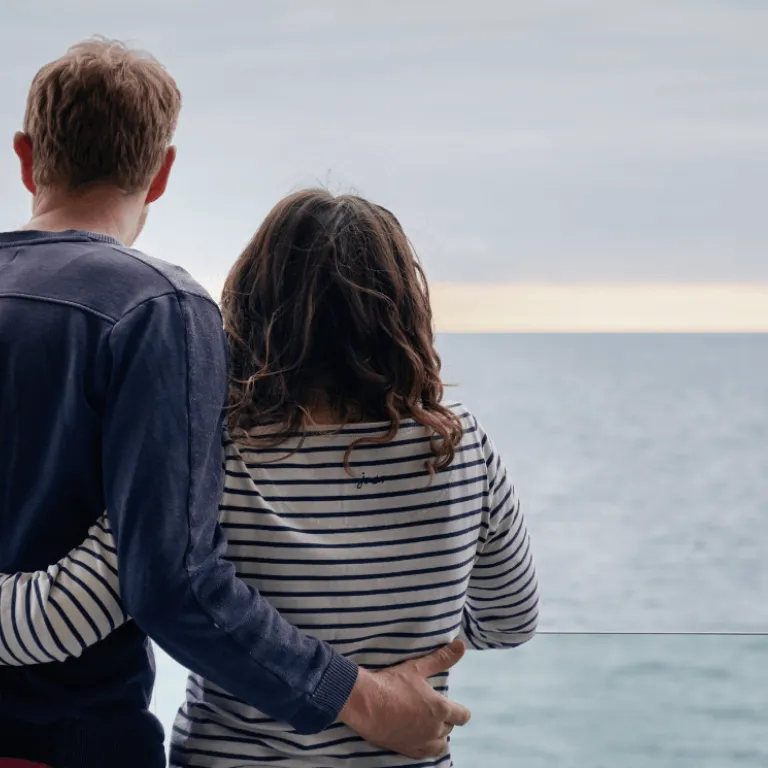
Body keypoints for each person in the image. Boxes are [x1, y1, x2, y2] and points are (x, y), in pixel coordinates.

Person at [0, 40, 470, 768]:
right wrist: (372, 705)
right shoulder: (158, 309)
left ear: (27, 158)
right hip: (67, 745)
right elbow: (173, 583)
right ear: (160, 173)